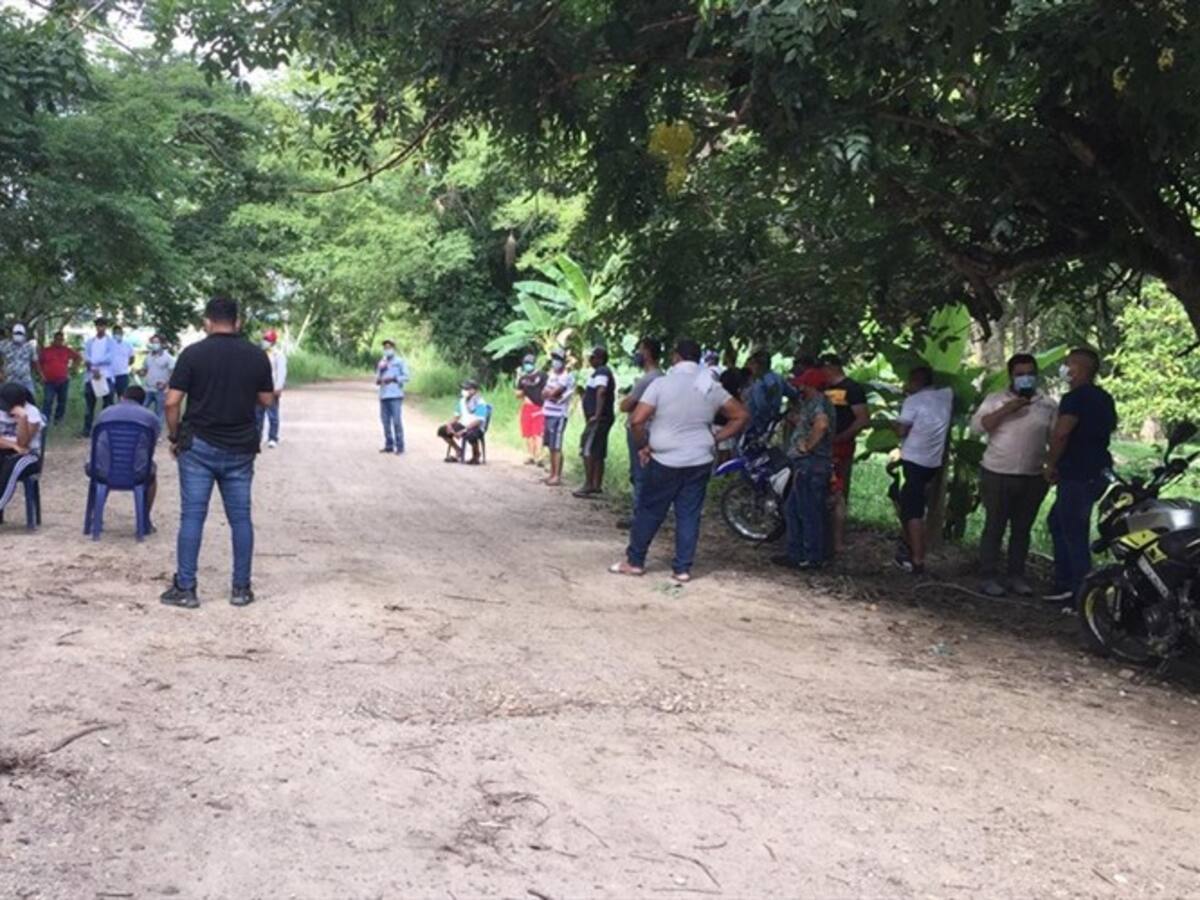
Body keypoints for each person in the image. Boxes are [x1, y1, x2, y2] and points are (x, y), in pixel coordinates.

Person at [160, 297, 275, 609]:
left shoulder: (193, 354)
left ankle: (186, 588)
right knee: (240, 519)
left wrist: (174, 435)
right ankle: (240, 588)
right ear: (237, 322)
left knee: (192, 516)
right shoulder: (256, 356)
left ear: (206, 322)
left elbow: (171, 402)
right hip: (241, 448)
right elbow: (267, 400)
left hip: (198, 447)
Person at [610, 339, 750, 583]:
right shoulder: (709, 386)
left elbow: (637, 420)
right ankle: (682, 568)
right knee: (689, 514)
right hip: (699, 458)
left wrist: (645, 445)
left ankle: (635, 561)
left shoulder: (661, 384)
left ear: (675, 357)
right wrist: (715, 437)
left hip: (665, 458)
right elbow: (740, 414)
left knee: (650, 510)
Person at [970, 353, 1057, 597]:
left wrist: (1051, 465)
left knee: (1022, 528)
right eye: (1020, 375)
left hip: (1033, 476)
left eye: (1030, 373)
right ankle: (988, 575)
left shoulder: (1048, 405)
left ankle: (1016, 576)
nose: (1025, 378)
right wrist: (1008, 409)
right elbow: (977, 428)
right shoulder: (995, 399)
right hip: (997, 473)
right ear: (1011, 376)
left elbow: (1054, 438)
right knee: (994, 526)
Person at [1043, 348, 1118, 603]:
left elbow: (1062, 432)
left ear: (1079, 368)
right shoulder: (1104, 398)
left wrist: (1051, 463)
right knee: (1057, 521)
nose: (1064, 369)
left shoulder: (1074, 398)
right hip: (1097, 472)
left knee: (1074, 530)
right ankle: (1064, 580)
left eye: (1067, 364)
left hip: (1077, 472)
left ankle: (1080, 591)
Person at [891, 365, 953, 575]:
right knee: (914, 505)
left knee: (912, 511)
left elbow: (901, 430)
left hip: (914, 460)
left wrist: (893, 421)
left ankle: (917, 559)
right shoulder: (946, 396)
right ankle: (910, 548)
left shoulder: (912, 402)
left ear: (915, 382)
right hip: (933, 462)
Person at [774, 368, 834, 570]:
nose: (799, 388)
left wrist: (808, 445)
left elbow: (822, 424)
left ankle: (812, 557)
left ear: (810, 386)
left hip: (811, 464)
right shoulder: (814, 403)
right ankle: (796, 553)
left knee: (808, 511)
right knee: (793, 509)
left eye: (803, 384)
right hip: (806, 464)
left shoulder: (819, 403)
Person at [821, 354, 870, 557]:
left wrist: (842, 437)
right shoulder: (824, 389)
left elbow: (862, 419)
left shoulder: (853, 389)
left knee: (837, 493)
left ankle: (838, 541)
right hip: (821, 446)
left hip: (840, 447)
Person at [91, 385, 161, 528]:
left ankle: (95, 516)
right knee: (152, 474)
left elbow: (95, 440)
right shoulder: (150, 417)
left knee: (103, 471)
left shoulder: (104, 413)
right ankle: (144, 519)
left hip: (102, 470)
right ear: (142, 402)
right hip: (137, 472)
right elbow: (151, 446)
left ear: (122, 397)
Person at [618, 337, 663, 526]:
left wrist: (625, 400)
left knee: (640, 473)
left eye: (640, 349)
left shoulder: (647, 379)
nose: (637, 353)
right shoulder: (661, 376)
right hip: (653, 429)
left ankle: (639, 516)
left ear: (647, 352)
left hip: (640, 429)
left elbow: (627, 405)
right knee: (647, 473)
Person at [575, 346, 616, 498]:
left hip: (598, 418)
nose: (590, 360)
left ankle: (589, 484)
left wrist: (597, 414)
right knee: (598, 451)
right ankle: (596, 484)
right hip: (602, 417)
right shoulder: (602, 372)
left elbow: (601, 391)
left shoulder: (602, 372)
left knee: (588, 449)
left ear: (599, 358)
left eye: (593, 357)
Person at [0, 382, 44, 514]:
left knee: (12, 467)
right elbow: (15, 445)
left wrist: (22, 418)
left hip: (29, 456)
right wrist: (12, 445)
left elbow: (23, 444)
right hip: (6, 451)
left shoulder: (32, 413)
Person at [540, 350, 575, 487]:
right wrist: (552, 395)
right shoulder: (552, 375)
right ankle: (552, 473)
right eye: (554, 358)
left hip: (559, 414)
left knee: (557, 446)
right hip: (548, 412)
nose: (555, 361)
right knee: (550, 445)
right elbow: (544, 393)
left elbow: (555, 393)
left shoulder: (566, 377)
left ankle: (557, 476)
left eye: (558, 359)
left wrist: (552, 394)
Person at [436, 380, 490, 464]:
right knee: (442, 430)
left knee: (471, 435)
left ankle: (476, 455)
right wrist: (449, 424)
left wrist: (463, 430)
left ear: (475, 390)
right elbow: (457, 417)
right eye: (464, 388)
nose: (465, 390)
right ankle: (458, 450)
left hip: (476, 427)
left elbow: (479, 421)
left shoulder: (480, 402)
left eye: (468, 388)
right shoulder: (462, 401)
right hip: (464, 424)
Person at [745, 349, 795, 440]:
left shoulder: (760, 383)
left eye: (752, 364)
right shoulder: (778, 378)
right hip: (771, 424)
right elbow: (793, 393)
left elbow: (761, 405)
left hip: (757, 425)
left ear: (758, 365)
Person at [82, 317, 116, 437]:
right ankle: (87, 430)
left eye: (102, 325)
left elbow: (109, 358)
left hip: (106, 375)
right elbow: (85, 355)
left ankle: (106, 429)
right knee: (89, 405)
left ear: (106, 327)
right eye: (98, 325)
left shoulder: (111, 342)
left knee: (107, 404)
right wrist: (92, 367)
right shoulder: (90, 342)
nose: (100, 328)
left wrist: (94, 363)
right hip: (91, 375)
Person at [38, 331, 81, 425]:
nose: (59, 341)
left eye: (61, 340)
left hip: (63, 380)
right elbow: (38, 364)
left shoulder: (66, 350)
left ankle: (58, 420)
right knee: (48, 401)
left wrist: (74, 368)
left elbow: (78, 357)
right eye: (57, 339)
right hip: (49, 381)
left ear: (63, 340)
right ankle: (45, 420)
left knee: (62, 401)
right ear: (54, 339)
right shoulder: (46, 350)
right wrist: (41, 375)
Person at [375, 339, 410, 454]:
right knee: (385, 422)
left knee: (396, 421)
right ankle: (389, 444)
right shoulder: (382, 363)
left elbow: (406, 377)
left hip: (395, 395)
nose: (387, 350)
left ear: (393, 349)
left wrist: (394, 378)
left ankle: (400, 446)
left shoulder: (400, 362)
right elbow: (377, 380)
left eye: (389, 347)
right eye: (385, 348)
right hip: (384, 395)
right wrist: (380, 377)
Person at [256, 329, 287, 449]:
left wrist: (278, 387)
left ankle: (273, 438)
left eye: (267, 340)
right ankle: (257, 438)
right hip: (260, 389)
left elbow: (281, 372)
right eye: (264, 339)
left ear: (273, 341)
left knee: (273, 415)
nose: (265, 342)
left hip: (272, 388)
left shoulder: (278, 355)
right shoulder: (259, 353)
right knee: (258, 415)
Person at [515, 354, 547, 465]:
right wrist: (518, 379)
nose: (527, 366)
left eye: (529, 363)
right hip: (526, 407)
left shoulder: (542, 376)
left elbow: (546, 390)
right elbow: (518, 394)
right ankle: (530, 455)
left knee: (537, 433)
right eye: (526, 364)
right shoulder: (523, 378)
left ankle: (539, 455)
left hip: (538, 407)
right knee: (527, 433)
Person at [139, 335, 175, 429]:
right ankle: (141, 429)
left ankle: (157, 433)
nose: (154, 345)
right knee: (142, 409)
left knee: (159, 413)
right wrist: (140, 372)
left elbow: (173, 373)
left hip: (161, 390)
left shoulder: (168, 358)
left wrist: (165, 384)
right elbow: (144, 370)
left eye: (157, 342)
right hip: (148, 388)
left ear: (162, 344)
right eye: (153, 342)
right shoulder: (148, 356)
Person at [0, 324, 41, 396]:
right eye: (16, 333)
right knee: (7, 402)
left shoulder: (29, 346)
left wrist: (40, 374)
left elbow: (35, 361)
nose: (18, 335)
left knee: (31, 400)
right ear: (12, 334)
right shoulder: (4, 345)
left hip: (26, 380)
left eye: (20, 333)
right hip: (10, 380)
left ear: (24, 334)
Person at [110, 325, 135, 397]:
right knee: (109, 396)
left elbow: (132, 358)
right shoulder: (109, 344)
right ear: (113, 334)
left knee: (123, 396)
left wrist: (124, 365)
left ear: (122, 333)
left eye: (119, 333)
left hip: (123, 375)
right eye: (115, 333)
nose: (117, 334)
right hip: (110, 374)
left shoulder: (128, 344)